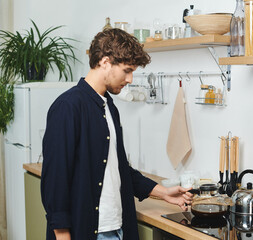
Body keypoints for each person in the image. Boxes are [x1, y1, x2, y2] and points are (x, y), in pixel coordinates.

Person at [41, 29, 193, 240]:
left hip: (118, 228)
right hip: (87, 231)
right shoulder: (68, 106)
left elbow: (120, 169)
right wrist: (62, 235)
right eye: (127, 70)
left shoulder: (108, 107)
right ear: (105, 62)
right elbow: (56, 180)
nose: (130, 79)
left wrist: (164, 192)